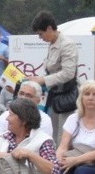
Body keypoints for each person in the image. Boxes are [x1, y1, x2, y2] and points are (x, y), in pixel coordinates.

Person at [30, 10, 79, 143]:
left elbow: (68, 73)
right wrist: (38, 78)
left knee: (63, 136)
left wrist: (44, 80)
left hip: (66, 96)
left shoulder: (67, 44)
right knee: (51, 132)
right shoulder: (52, 43)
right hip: (55, 95)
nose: (40, 38)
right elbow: (51, 69)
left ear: (50, 28)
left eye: (41, 34)